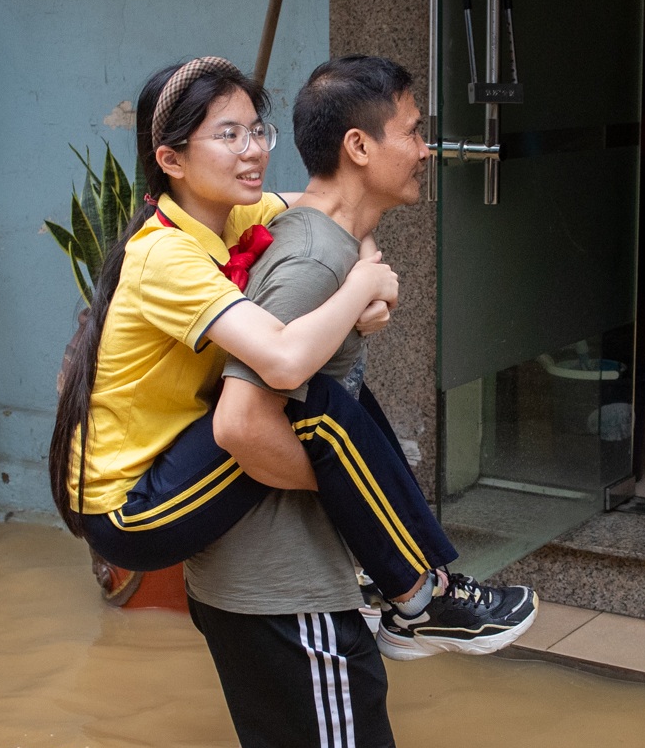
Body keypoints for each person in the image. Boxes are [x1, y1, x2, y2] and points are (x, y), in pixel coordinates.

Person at [161, 55, 510, 748]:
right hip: (282, 577)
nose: (427, 147)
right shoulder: (318, 257)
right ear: (359, 146)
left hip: (244, 572)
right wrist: (354, 498)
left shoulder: (316, 240)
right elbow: (242, 420)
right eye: (415, 129)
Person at [48, 56, 535, 648]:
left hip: (173, 460)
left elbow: (338, 208)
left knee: (339, 402)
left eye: (257, 130)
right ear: (171, 160)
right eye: (227, 135)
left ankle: (415, 587)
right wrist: (361, 288)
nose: (252, 150)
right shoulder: (163, 257)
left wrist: (365, 269)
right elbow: (281, 360)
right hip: (132, 509)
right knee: (318, 411)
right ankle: (419, 597)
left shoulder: (231, 213)